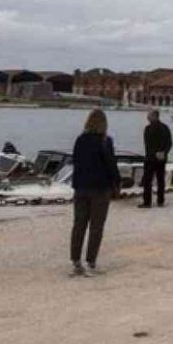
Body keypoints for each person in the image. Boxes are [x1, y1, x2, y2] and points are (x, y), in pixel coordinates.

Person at [70, 109, 122, 275]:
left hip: (81, 187)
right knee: (96, 226)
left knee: (79, 224)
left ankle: (76, 260)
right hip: (100, 188)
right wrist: (117, 182)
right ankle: (91, 261)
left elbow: (75, 161)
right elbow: (111, 165)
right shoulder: (105, 141)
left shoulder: (80, 140)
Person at [140, 109, 173, 208]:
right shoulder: (164, 128)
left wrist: (162, 152)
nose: (147, 117)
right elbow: (169, 143)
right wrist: (164, 152)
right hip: (159, 157)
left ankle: (148, 202)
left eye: (149, 115)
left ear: (155, 116)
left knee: (149, 180)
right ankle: (160, 201)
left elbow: (147, 145)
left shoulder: (149, 129)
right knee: (160, 180)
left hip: (152, 158)